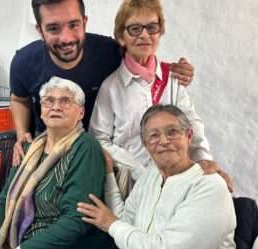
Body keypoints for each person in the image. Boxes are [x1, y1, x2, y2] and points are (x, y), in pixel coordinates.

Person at [11, 0, 195, 165]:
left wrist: (173, 70)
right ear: (39, 30)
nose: (66, 38)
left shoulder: (109, 52)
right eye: (53, 28)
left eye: (74, 25)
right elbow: (19, 100)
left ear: (85, 22)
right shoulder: (24, 62)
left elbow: (141, 56)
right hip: (49, 149)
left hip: (97, 155)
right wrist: (21, 135)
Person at [89, 0, 231, 186]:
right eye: (134, 29)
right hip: (133, 183)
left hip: (176, 176)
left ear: (160, 32)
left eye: (152, 27)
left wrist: (202, 157)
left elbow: (191, 122)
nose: (144, 35)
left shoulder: (173, 78)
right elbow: (99, 139)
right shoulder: (111, 87)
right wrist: (138, 171)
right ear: (121, 37)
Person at [78, 104, 236, 249]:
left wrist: (111, 223)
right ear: (145, 144)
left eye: (172, 132)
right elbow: (124, 222)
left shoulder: (210, 186)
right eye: (154, 135)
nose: (164, 141)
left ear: (189, 136)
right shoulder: (151, 176)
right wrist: (109, 173)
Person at [0, 77, 110, 249]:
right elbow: (4, 200)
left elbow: (76, 220)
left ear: (81, 112)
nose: (56, 107)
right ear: (42, 111)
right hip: (24, 243)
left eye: (66, 101)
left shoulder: (85, 147)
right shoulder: (29, 148)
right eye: (49, 100)